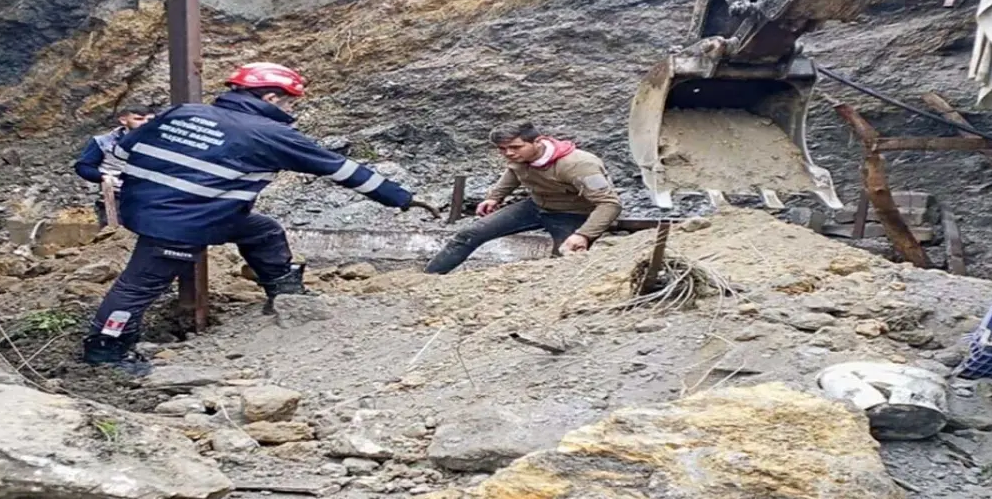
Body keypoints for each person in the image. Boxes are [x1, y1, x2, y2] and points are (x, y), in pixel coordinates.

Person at [83, 62, 441, 374]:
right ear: (270, 98)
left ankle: (284, 292)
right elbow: (344, 170)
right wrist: (403, 199)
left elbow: (124, 150)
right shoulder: (272, 134)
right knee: (140, 284)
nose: (290, 108)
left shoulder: (183, 113)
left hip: (155, 208)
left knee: (261, 231)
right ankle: (106, 348)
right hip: (181, 224)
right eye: (288, 100)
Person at [424, 121, 622, 274]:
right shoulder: (518, 158)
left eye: (515, 147)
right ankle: (429, 277)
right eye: (502, 149)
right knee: (469, 234)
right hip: (536, 206)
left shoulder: (578, 164)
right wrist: (495, 197)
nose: (508, 153)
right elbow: (513, 172)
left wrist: (584, 234)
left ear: (537, 141)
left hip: (574, 213)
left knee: (563, 261)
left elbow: (609, 204)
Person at [74, 106, 154, 227]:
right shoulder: (104, 141)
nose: (144, 123)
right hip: (116, 196)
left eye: (149, 120)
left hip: (152, 197)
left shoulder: (161, 141)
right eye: (138, 119)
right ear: (123, 120)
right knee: (115, 237)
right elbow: (84, 166)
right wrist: (103, 177)